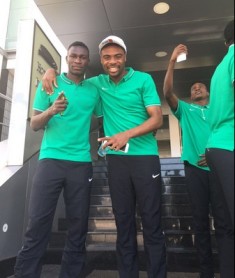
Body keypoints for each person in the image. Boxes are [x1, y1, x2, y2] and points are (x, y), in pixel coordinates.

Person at [42, 35, 167, 278]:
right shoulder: (97, 84)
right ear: (100, 60)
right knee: (123, 223)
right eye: (107, 57)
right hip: (117, 161)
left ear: (125, 57)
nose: (112, 61)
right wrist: (51, 70)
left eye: (117, 56)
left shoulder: (143, 79)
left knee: (152, 224)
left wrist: (126, 135)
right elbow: (72, 79)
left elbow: (157, 118)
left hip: (145, 158)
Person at [14, 41, 102, 278]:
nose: (78, 60)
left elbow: (100, 119)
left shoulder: (93, 89)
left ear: (87, 61)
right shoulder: (49, 83)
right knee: (38, 223)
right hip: (50, 160)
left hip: (81, 163)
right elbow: (34, 124)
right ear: (67, 57)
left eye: (83, 57)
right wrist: (52, 110)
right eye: (73, 56)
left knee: (78, 225)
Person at [163, 44, 234, 278]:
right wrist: (172, 61)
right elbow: (167, 94)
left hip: (219, 168)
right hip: (194, 171)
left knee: (224, 222)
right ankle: (206, 273)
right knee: (200, 223)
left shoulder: (218, 109)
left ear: (210, 91)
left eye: (200, 86)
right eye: (193, 88)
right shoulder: (185, 110)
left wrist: (214, 156)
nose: (196, 89)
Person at [206, 19, 234, 230]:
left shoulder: (219, 69)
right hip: (230, 144)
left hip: (215, 147)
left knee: (225, 224)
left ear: (226, 42)